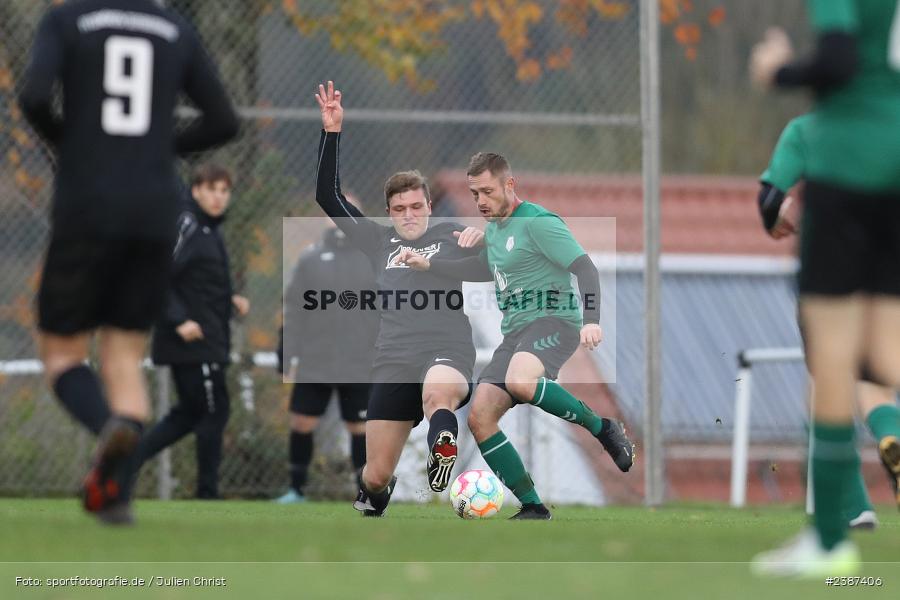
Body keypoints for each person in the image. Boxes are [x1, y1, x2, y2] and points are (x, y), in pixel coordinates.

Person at [19, 0, 238, 523]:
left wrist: (74, 144)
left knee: (64, 356)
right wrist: (156, 147)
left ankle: (109, 428)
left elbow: (32, 96)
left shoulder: (67, 19)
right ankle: (114, 496)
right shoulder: (172, 27)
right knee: (123, 355)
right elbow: (224, 120)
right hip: (154, 211)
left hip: (87, 204)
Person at [749, 0, 900, 576]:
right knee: (882, 363)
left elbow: (837, 62)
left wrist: (777, 70)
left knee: (833, 363)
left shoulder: (806, 131)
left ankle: (832, 542)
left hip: (848, 174)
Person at [400, 152, 635, 520]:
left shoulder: (539, 223)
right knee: (480, 416)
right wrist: (430, 265)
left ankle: (603, 428)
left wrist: (592, 319)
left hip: (554, 323)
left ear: (510, 185)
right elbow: (486, 268)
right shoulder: (495, 228)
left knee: (521, 381)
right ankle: (533, 506)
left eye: (488, 192)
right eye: (475, 194)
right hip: (515, 335)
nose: (480, 202)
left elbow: (585, 268)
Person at [314, 81, 483, 515]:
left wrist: (481, 241)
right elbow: (327, 197)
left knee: (437, 393)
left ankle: (441, 451)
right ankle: (375, 497)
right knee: (374, 474)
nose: (409, 215)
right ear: (389, 212)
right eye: (399, 208)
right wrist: (331, 133)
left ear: (430, 205)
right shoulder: (377, 240)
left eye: (417, 206)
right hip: (393, 358)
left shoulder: (454, 235)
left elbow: (491, 270)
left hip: (446, 349)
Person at [758, 114, 900, 526]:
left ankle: (852, 505)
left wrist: (777, 217)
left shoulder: (808, 128)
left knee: (827, 380)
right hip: (887, 268)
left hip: (828, 265)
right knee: (873, 380)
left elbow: (770, 199)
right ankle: (891, 434)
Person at [135, 164, 248, 499]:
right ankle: (207, 492)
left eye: (224, 191)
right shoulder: (187, 224)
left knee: (190, 413)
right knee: (214, 410)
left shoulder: (209, 229)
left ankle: (126, 461)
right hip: (191, 340)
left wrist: (230, 301)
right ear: (196, 190)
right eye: (212, 189)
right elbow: (157, 275)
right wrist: (178, 320)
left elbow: (197, 284)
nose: (218, 197)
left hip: (210, 337)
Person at [275, 214, 378, 504]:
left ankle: (366, 493)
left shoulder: (372, 258)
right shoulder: (310, 258)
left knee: (359, 428)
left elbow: (386, 311)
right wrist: (286, 350)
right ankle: (296, 490)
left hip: (359, 362)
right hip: (315, 360)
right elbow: (294, 309)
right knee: (302, 423)